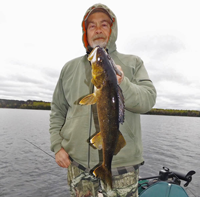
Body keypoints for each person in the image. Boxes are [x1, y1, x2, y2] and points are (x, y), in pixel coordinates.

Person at [49, 3, 156, 197]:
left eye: (104, 24)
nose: (98, 30)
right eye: (92, 25)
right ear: (85, 31)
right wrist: (57, 146)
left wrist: (122, 82)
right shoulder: (68, 68)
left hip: (122, 169)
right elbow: (57, 110)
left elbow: (148, 100)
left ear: (112, 30)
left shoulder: (133, 63)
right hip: (77, 167)